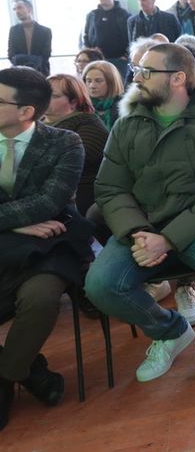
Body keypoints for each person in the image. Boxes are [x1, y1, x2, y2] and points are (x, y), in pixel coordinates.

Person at [85, 43, 195, 390]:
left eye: (146, 72)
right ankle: (171, 331)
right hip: (144, 223)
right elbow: (110, 188)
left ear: (177, 78)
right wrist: (137, 232)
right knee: (100, 284)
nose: (136, 78)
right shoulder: (128, 123)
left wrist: (169, 239)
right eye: (137, 70)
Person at [0, 67, 92, 431]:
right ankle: (31, 371)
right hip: (10, 238)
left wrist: (20, 221)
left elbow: (49, 203)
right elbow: (33, 208)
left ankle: (5, 380)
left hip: (50, 242)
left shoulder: (65, 143)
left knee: (40, 297)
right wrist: (15, 223)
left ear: (26, 111)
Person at [43, 74, 108, 217]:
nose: (45, 98)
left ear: (74, 101)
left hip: (79, 194)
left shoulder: (87, 123)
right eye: (43, 93)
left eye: (54, 96)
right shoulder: (34, 122)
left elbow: (82, 158)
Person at [82, 0, 131, 81]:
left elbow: (131, 37)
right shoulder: (92, 15)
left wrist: (126, 55)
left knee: (119, 85)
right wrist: (90, 51)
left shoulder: (123, 14)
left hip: (119, 60)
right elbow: (86, 35)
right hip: (97, 60)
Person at [8, 0, 52, 75]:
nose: (17, 11)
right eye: (14, 9)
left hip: (40, 72)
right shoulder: (14, 30)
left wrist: (21, 59)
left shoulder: (45, 31)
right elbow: (11, 54)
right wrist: (32, 60)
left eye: (19, 7)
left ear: (29, 9)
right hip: (19, 73)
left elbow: (46, 55)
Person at [82, 60, 124, 131]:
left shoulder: (124, 107)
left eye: (98, 81)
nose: (92, 86)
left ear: (111, 82)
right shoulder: (81, 107)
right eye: (88, 81)